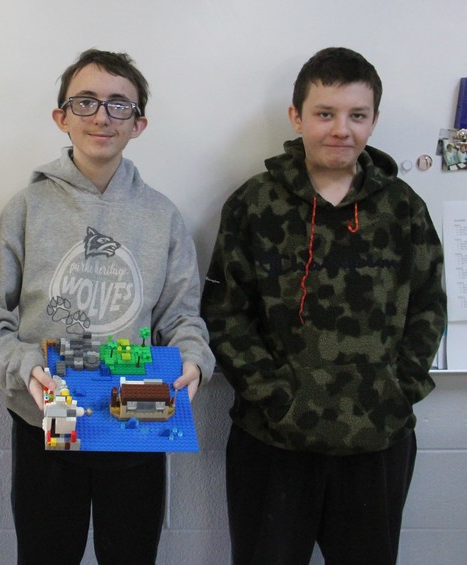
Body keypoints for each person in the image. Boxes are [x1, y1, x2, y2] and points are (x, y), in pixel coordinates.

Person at [0, 48, 215, 565]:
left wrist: (193, 356)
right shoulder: (26, 210)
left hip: (139, 410)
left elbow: (181, 314)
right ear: (62, 117)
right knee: (47, 552)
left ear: (138, 124)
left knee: (131, 553)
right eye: (86, 102)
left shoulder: (162, 217)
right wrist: (24, 365)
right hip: (49, 413)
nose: (102, 116)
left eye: (119, 105)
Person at [201, 47, 446, 565]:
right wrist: (279, 399)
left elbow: (429, 308)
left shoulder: (404, 208)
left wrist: (396, 393)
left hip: (376, 441)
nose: (341, 130)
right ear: (297, 117)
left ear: (374, 120)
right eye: (325, 113)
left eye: (357, 116)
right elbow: (224, 313)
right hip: (274, 442)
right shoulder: (254, 205)